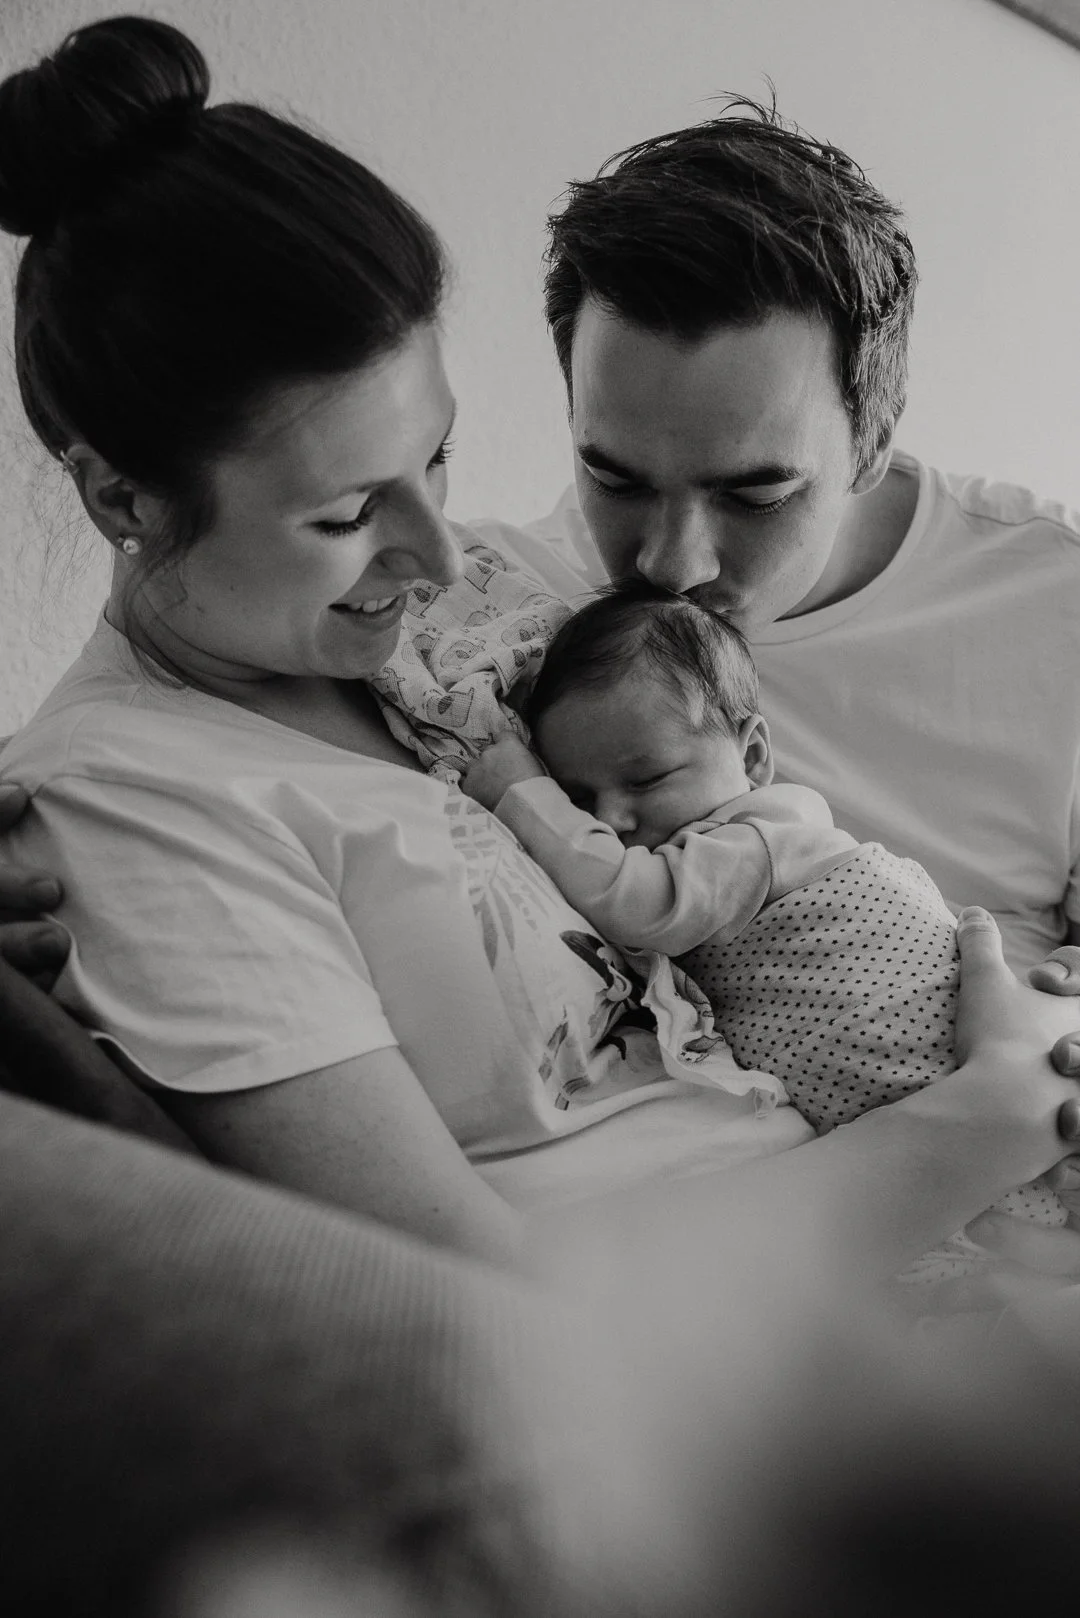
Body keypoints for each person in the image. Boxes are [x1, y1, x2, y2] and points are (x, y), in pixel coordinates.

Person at [2, 17, 1080, 1288]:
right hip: (763, 1330)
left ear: (880, 427)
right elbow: (468, 1294)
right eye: (349, 512)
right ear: (123, 498)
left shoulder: (480, 617)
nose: (443, 553)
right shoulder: (151, 786)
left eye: (439, 458)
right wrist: (1000, 1111)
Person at [463, 581, 1068, 1276]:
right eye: (579, 797)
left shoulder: (760, 836)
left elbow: (638, 905)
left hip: (940, 1057)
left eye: (648, 778)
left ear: (752, 758)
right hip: (918, 1141)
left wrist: (526, 794)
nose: (610, 822)